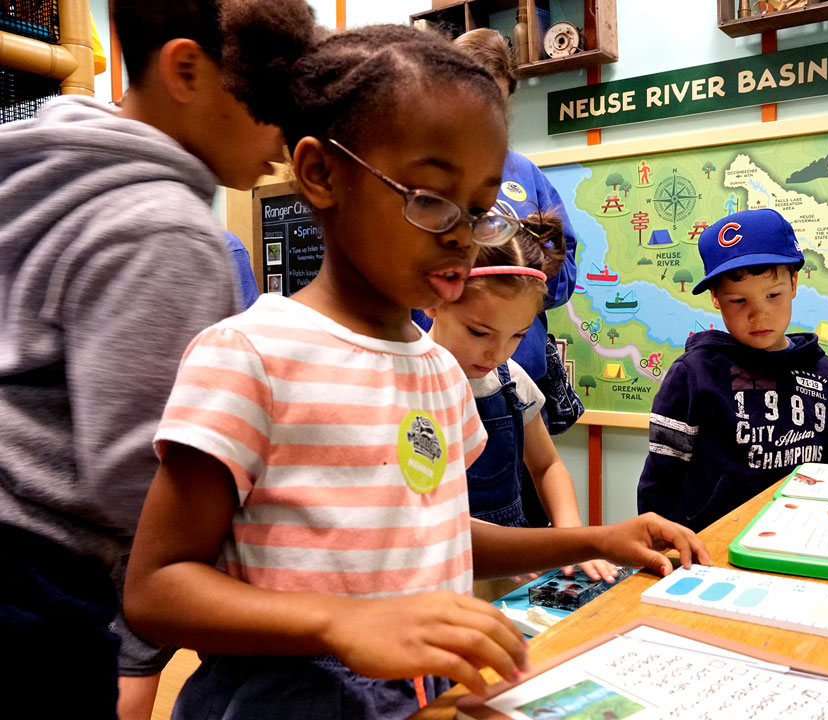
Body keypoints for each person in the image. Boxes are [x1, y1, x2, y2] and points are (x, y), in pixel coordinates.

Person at [123, 25, 709, 720]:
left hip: (419, 696)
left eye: (481, 208)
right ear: (320, 173)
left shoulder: (437, 368)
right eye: (430, 198)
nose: (461, 233)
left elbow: (437, 536)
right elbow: (156, 587)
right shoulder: (249, 356)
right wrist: (340, 622)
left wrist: (592, 538)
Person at [0, 0, 315, 716]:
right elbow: (138, 478)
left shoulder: (54, 170)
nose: (291, 135)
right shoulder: (165, 230)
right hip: (37, 581)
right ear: (185, 69)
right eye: (274, 103)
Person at [413, 28, 580, 528]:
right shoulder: (423, 172)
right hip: (439, 372)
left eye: (498, 108)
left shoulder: (525, 171)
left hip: (514, 391)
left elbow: (563, 260)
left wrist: (521, 284)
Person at [638, 208, 828, 533]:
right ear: (716, 298)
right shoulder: (693, 375)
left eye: (772, 295)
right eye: (738, 301)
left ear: (793, 283)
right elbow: (662, 477)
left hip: (811, 540)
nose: (759, 315)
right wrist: (660, 547)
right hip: (713, 550)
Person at [424, 211, 616, 582]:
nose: (497, 353)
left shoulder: (509, 379)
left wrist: (571, 536)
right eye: (480, 332)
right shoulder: (407, 381)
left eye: (517, 336)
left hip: (512, 573)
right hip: (439, 573)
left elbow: (546, 466)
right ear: (434, 300)